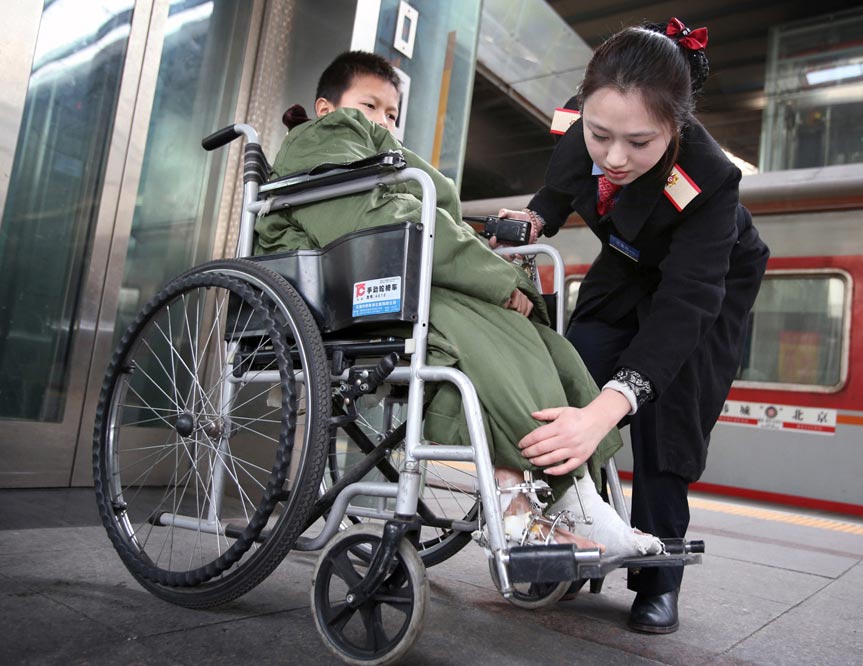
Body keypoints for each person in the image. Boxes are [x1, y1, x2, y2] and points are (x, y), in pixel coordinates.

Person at [254, 51, 663, 557]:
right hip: (350, 290)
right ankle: (536, 503)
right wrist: (495, 278)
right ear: (326, 107)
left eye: (391, 114)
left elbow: (412, 223)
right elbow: (384, 223)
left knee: (547, 345)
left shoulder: (375, 158)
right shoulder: (326, 139)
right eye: (370, 105)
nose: (382, 120)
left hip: (389, 284)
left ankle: (571, 497)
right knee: (490, 337)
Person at [503, 21, 770, 633]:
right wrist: (536, 220)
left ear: (676, 129)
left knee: (666, 422)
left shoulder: (711, 178)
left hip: (708, 286)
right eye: (601, 136)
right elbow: (561, 187)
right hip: (625, 267)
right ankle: (561, 546)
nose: (615, 157)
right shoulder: (584, 121)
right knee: (567, 383)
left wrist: (610, 408)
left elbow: (685, 305)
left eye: (639, 143)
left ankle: (659, 579)